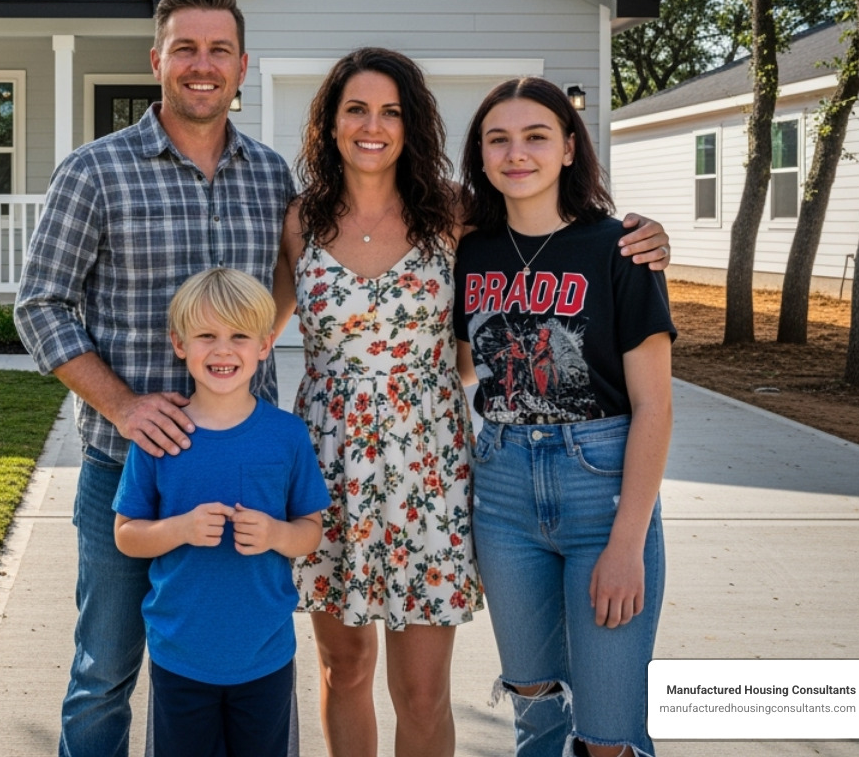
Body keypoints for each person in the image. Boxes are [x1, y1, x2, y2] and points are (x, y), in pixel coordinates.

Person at [273, 49, 672, 757]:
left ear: (413, 124)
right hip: (326, 463)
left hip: (430, 464)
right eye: (356, 110)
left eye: (391, 111)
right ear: (329, 125)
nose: (374, 125)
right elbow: (253, 331)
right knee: (344, 668)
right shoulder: (301, 221)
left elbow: (543, 233)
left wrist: (641, 236)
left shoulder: (453, 214)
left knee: (423, 692)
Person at [15, 0, 296, 757]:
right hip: (126, 471)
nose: (201, 65)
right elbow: (40, 304)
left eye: (218, 51)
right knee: (105, 669)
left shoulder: (273, 176)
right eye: (185, 49)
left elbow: (313, 263)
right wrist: (124, 407)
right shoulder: (95, 171)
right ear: (157, 61)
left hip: (242, 472)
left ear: (242, 66)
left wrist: (265, 335)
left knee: (252, 667)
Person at [453, 77, 675, 757]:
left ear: (570, 149)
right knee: (534, 702)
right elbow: (463, 366)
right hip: (503, 489)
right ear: (482, 156)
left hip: (599, 485)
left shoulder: (623, 249)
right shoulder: (469, 250)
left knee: (608, 733)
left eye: (536, 136)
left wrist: (627, 543)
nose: (516, 153)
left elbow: (656, 407)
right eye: (499, 139)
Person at [113, 268, 330, 757]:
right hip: (180, 654)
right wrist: (180, 528)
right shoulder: (161, 435)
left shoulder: (287, 436)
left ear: (265, 345)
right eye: (206, 335)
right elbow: (126, 534)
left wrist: (276, 533)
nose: (223, 350)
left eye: (239, 336)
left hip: (265, 655)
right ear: (179, 344)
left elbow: (310, 532)